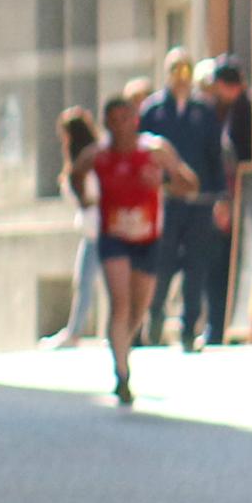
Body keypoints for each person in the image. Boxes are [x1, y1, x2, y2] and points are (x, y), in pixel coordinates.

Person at [70, 82, 198, 409]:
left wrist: (163, 182)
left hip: (147, 238)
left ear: (135, 120)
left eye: (126, 119)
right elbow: (76, 172)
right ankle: (121, 373)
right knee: (120, 302)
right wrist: (84, 198)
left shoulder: (154, 151)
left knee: (139, 308)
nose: (121, 127)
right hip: (113, 237)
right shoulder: (97, 155)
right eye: (114, 121)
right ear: (106, 124)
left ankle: (122, 348)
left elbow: (190, 183)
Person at [146, 54, 235, 354]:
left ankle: (189, 329)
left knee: (196, 265)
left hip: (199, 201)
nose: (181, 77)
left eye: (186, 70)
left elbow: (214, 155)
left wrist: (221, 196)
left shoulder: (203, 111)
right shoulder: (154, 111)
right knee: (163, 262)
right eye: (176, 70)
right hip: (167, 201)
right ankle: (155, 315)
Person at [200, 56, 252, 339]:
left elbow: (237, 161)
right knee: (217, 264)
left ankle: (220, 325)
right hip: (229, 200)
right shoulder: (225, 112)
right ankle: (218, 324)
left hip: (237, 200)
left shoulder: (242, 112)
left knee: (221, 265)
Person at [54, 106, 104, 345]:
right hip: (90, 231)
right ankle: (74, 332)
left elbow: (96, 194)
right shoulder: (75, 164)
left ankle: (112, 331)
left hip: (103, 229)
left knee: (108, 284)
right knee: (84, 282)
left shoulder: (96, 159)